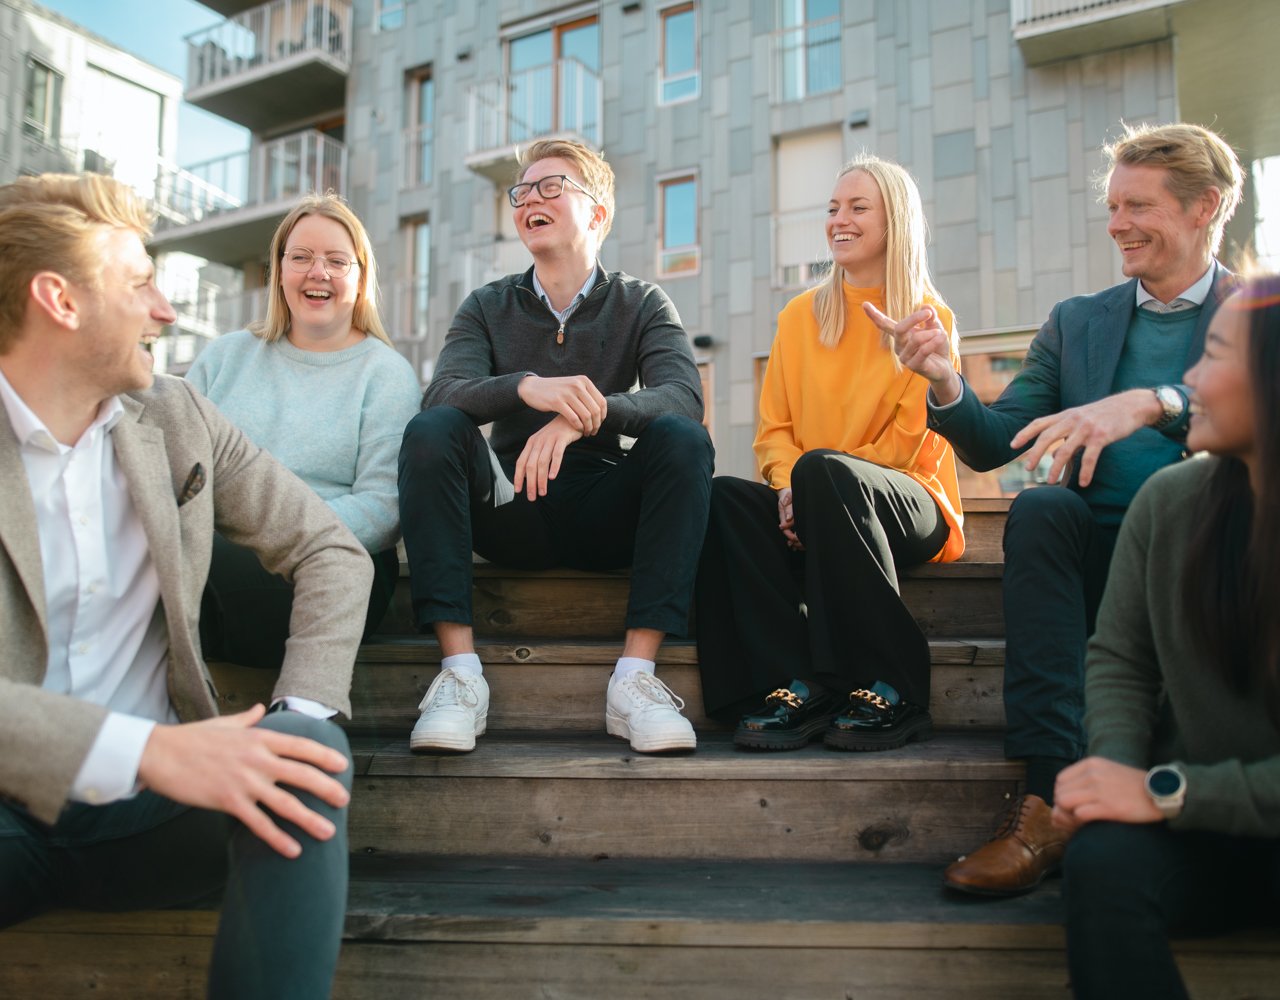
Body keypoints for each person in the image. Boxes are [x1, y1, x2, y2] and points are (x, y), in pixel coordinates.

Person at [0, 173, 373, 999]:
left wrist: (296, 709)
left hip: (151, 816)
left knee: (306, 756)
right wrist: (151, 749)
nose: (166, 311)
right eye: (139, 284)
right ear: (59, 299)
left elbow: (331, 548)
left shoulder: (178, 417)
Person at [870, 122, 1244, 894]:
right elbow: (994, 441)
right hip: (1094, 553)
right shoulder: (1078, 321)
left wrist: (1160, 401)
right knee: (1041, 508)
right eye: (1111, 206)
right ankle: (1047, 796)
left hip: (1216, 550)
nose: (1116, 225)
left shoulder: (1258, 312)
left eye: (1137, 205)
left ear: (1204, 207)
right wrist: (944, 379)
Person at [398, 138, 713, 754]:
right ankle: (460, 677)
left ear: (597, 213)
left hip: (605, 502)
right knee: (432, 429)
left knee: (682, 438)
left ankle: (636, 680)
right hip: (510, 502)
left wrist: (584, 416)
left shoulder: (642, 301)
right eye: (522, 192)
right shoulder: (487, 305)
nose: (529, 200)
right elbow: (444, 392)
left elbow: (682, 397)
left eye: (551, 187)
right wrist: (530, 388)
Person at [1053, 273, 1280, 999]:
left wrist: (1165, 789)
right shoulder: (1172, 500)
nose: (1189, 377)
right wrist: (1110, 780)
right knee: (1102, 863)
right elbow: (1120, 659)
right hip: (1196, 834)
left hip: (1197, 797)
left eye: (1214, 354)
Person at [694, 155, 965, 752]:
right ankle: (792, 684)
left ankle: (893, 686)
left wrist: (812, 489)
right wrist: (792, 491)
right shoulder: (798, 318)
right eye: (833, 208)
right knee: (719, 498)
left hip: (910, 502)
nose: (839, 219)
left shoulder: (926, 317)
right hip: (814, 493)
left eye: (858, 207)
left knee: (823, 470)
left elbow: (906, 441)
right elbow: (774, 431)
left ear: (894, 221)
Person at [187, 193, 421, 668]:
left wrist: (273, 533)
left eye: (337, 261)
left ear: (360, 276)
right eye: (301, 257)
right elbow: (179, 467)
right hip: (210, 551)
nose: (319, 272)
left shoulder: (386, 374)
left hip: (327, 567)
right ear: (279, 270)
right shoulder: (225, 357)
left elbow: (384, 505)